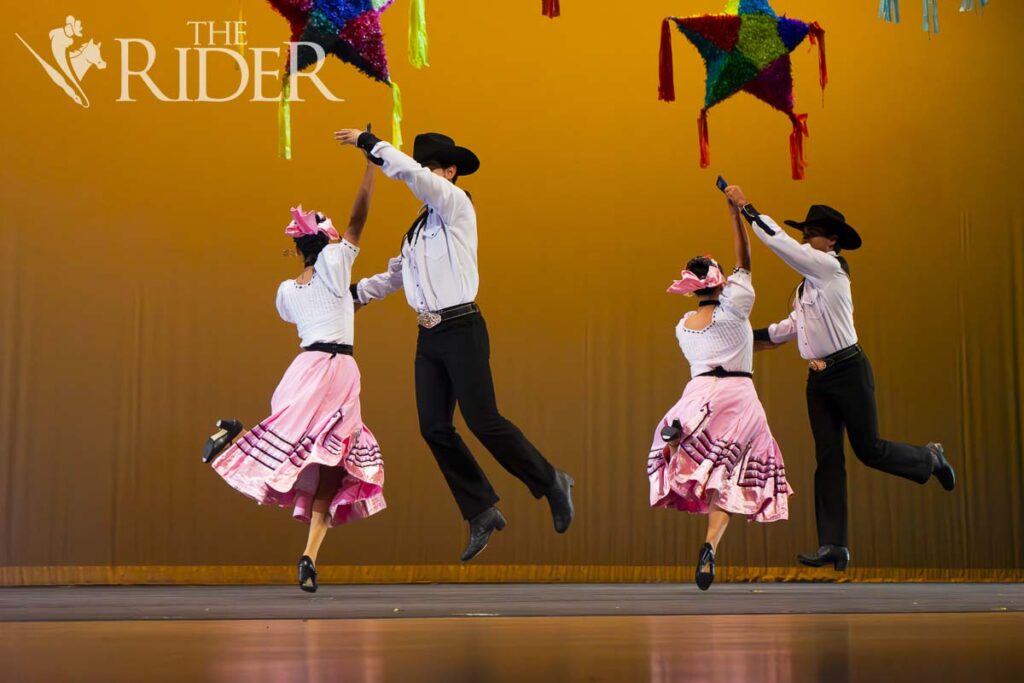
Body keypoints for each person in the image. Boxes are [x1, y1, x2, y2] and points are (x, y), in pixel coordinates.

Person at [332, 127, 574, 562]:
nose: (424, 177)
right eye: (424, 169)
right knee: (434, 427)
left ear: (450, 173)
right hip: (429, 337)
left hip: (462, 328)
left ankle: (551, 480)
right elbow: (394, 276)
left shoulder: (456, 206)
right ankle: (481, 510)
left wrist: (372, 146)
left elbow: (412, 177)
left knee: (483, 419)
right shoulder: (417, 231)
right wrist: (352, 297)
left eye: (432, 171)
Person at [723, 185, 956, 571]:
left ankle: (929, 458)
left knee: (870, 450)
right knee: (827, 458)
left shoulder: (829, 268)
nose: (805, 239)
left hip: (849, 371)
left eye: (812, 234)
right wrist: (741, 338)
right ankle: (834, 544)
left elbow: (781, 245)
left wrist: (746, 208)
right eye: (805, 233)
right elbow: (786, 330)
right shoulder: (808, 288)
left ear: (831, 241)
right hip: (819, 382)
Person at [204, 162, 385, 592]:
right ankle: (233, 438)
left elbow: (330, 309)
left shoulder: (288, 291)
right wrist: (370, 168)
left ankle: (309, 557)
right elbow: (359, 219)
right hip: (334, 371)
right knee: (320, 457)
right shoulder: (335, 264)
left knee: (321, 463)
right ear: (325, 244)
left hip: (305, 368)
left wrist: (361, 296)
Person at [648, 194, 791, 590]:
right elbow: (745, 258)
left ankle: (678, 449)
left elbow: (731, 346)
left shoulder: (683, 326)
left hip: (697, 394)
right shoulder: (735, 308)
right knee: (733, 475)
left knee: (709, 466)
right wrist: (735, 213)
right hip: (738, 394)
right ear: (720, 282)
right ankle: (711, 544)